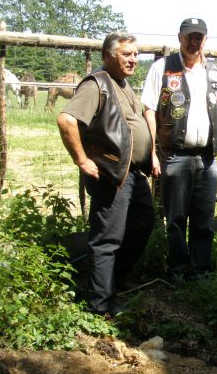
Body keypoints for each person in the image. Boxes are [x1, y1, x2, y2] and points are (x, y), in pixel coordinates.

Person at [57, 32, 154, 317]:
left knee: (143, 222)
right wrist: (82, 160)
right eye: (127, 54)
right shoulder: (96, 84)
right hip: (112, 174)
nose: (133, 59)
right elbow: (66, 120)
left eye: (136, 54)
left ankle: (114, 281)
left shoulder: (122, 84)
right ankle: (99, 306)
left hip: (133, 173)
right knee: (107, 239)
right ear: (108, 56)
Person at [141, 18, 217, 283]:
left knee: (203, 219)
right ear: (180, 38)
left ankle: (200, 272)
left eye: (199, 37)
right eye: (189, 37)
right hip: (175, 156)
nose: (194, 42)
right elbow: (149, 109)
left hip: (207, 159)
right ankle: (177, 271)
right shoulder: (163, 67)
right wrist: (152, 152)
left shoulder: (215, 72)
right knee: (175, 219)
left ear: (205, 40)